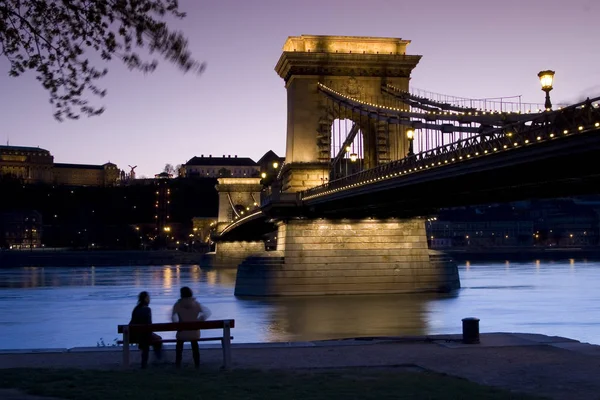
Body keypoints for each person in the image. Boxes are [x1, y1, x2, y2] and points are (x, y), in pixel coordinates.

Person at [171, 286, 211, 368]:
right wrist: (199, 321)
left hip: (182, 333)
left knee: (179, 343)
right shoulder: (196, 304)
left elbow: (173, 317)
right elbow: (207, 313)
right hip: (194, 333)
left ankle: (178, 363)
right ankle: (197, 363)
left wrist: (177, 325)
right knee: (194, 343)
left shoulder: (177, 305)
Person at [129, 291, 163, 368]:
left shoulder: (136, 309)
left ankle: (150, 362)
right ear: (145, 299)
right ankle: (158, 359)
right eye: (148, 298)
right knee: (158, 339)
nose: (149, 299)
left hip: (135, 335)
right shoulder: (147, 309)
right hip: (144, 335)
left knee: (148, 339)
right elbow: (149, 325)